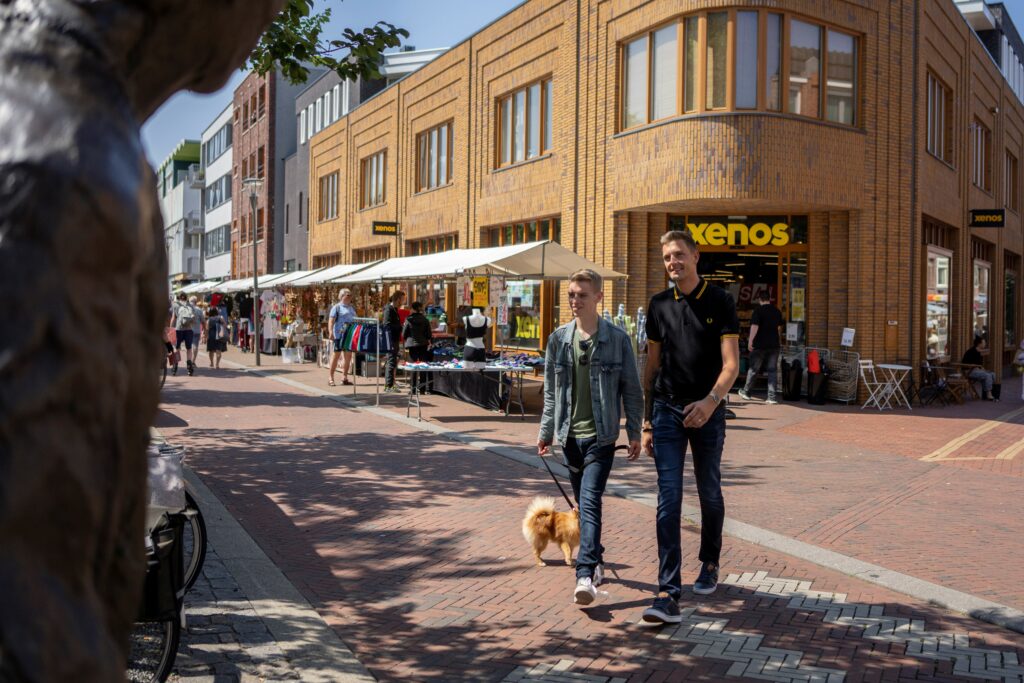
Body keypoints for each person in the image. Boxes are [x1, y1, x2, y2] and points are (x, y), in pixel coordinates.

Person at [640, 230, 739, 625]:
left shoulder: (720, 301)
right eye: (666, 257)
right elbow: (651, 368)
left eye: (678, 254)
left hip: (709, 411)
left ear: (696, 256)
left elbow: (732, 366)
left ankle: (710, 561)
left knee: (709, 491)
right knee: (669, 497)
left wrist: (710, 402)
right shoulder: (658, 305)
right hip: (666, 410)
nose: (672, 262)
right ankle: (667, 591)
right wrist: (645, 420)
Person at [537, 269, 643, 606]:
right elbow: (552, 395)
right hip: (569, 439)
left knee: (590, 502)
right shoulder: (558, 340)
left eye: (582, 294)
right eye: (571, 294)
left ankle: (584, 574)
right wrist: (546, 433)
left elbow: (632, 389)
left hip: (602, 437)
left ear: (598, 298)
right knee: (583, 506)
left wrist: (635, 431)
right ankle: (595, 558)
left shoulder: (617, 339)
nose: (574, 300)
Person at [738, 290, 783, 404]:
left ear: (760, 299)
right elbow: (778, 328)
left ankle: (747, 392)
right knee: (772, 370)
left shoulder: (758, 311)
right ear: (769, 298)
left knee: (754, 369)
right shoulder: (776, 311)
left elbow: (754, 327)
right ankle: (771, 398)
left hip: (759, 345)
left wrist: (750, 341)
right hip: (774, 345)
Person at [402, 301, 434, 393]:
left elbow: (404, 334)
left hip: (412, 346)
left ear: (413, 309)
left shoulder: (408, 319)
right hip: (423, 345)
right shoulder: (425, 319)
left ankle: (413, 389)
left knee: (413, 366)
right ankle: (422, 389)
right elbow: (429, 335)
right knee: (422, 366)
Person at [328, 289, 356, 386]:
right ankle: (330, 377)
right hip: (339, 334)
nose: (350, 297)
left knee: (348, 356)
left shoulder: (351, 308)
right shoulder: (337, 307)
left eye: (351, 295)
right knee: (336, 355)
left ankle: (344, 377)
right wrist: (331, 332)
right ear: (342, 296)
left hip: (349, 335)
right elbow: (331, 321)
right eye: (348, 295)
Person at [961, 336, 998, 401]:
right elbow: (969, 364)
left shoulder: (979, 352)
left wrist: (982, 368)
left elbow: (979, 365)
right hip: (969, 371)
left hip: (976, 370)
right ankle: (989, 394)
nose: (985, 344)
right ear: (979, 344)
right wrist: (979, 368)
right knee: (987, 375)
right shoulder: (971, 352)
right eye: (983, 343)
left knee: (992, 374)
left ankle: (985, 393)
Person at [383, 290, 406, 392]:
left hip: (394, 339)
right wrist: (400, 326)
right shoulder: (389, 309)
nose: (403, 302)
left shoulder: (394, 309)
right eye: (402, 299)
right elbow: (386, 325)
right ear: (397, 299)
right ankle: (389, 386)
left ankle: (390, 384)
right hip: (391, 339)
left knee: (393, 361)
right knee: (391, 361)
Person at [170, 292, 198, 376]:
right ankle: (189, 366)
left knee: (177, 348)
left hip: (179, 329)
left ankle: (175, 367)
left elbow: (173, 318)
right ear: (186, 297)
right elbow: (194, 318)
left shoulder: (175, 305)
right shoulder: (191, 305)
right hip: (189, 329)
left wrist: (171, 328)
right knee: (188, 348)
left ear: (179, 297)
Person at [188, 296, 206, 373]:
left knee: (188, 347)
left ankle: (189, 360)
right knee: (195, 346)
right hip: (196, 331)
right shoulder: (199, 310)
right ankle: (193, 361)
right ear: (196, 302)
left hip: (187, 330)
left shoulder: (186, 309)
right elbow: (203, 321)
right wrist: (205, 330)